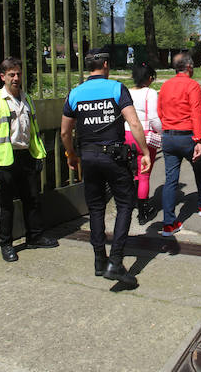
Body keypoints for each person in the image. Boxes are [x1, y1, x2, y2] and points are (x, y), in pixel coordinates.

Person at [61, 48, 150, 287]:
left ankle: (99, 260)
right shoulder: (115, 89)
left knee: (96, 208)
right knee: (124, 204)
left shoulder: (76, 93)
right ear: (106, 64)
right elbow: (133, 122)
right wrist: (144, 152)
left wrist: (71, 154)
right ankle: (116, 261)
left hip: (88, 158)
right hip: (113, 157)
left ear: (89, 66)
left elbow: (64, 131)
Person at [0, 56, 58, 263]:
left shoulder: (27, 99)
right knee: (6, 204)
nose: (16, 78)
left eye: (18, 74)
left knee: (32, 199)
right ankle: (6, 245)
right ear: (3, 77)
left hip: (27, 156)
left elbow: (32, 131)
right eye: (11, 75)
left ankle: (34, 236)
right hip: (6, 158)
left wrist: (38, 155)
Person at [157, 52, 201, 236]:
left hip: (168, 136)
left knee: (171, 180)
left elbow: (160, 111)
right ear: (189, 67)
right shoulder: (192, 85)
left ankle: (169, 223)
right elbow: (196, 113)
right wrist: (199, 139)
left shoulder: (165, 85)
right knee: (200, 170)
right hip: (187, 137)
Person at [124, 62, 162, 225]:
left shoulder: (126, 91)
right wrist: (161, 132)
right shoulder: (150, 93)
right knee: (144, 173)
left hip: (126, 134)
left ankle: (130, 202)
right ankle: (143, 211)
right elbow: (154, 118)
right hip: (144, 135)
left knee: (131, 172)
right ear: (149, 78)